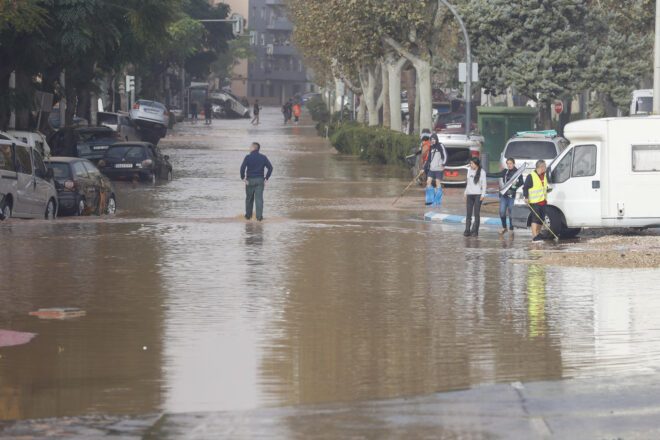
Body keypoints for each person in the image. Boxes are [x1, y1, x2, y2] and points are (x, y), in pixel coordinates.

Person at [487, 157, 523, 237]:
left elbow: (521, 182)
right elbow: (496, 175)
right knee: (502, 212)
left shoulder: (518, 173)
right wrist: (485, 173)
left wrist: (516, 184)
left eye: (510, 163)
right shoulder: (505, 172)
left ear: (513, 164)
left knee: (510, 213)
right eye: (508, 164)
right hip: (504, 195)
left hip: (512, 196)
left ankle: (511, 229)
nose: (509, 165)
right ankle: (504, 227)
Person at [240, 142, 273, 222]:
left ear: (253, 148)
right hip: (260, 180)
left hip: (250, 180)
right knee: (259, 199)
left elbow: (242, 168)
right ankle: (259, 218)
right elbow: (270, 168)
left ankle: (248, 217)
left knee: (249, 199)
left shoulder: (248, 157)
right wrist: (266, 178)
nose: (249, 148)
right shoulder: (263, 157)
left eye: (250, 146)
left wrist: (243, 178)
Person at [523, 160, 549, 242]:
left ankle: (538, 234)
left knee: (541, 218)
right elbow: (525, 187)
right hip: (534, 201)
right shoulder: (531, 176)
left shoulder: (544, 175)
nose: (545, 168)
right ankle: (534, 236)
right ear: (541, 167)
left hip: (543, 201)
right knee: (535, 218)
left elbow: (542, 187)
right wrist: (526, 197)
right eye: (545, 166)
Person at [463, 157, 487, 237]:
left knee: (476, 214)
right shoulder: (469, 170)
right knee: (468, 214)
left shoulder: (482, 172)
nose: (471, 165)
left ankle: (475, 231)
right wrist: (465, 193)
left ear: (476, 164)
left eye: (472, 163)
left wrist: (483, 195)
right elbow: (468, 183)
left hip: (478, 195)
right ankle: (467, 230)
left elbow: (484, 185)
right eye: (470, 163)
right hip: (469, 195)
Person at [424, 134, 447, 206]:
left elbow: (445, 156)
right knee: (428, 182)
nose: (433, 141)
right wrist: (423, 168)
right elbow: (428, 159)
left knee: (437, 183)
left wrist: (443, 165)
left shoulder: (441, 146)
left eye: (434, 139)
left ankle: (437, 201)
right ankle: (430, 200)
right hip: (432, 169)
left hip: (439, 168)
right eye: (431, 139)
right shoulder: (431, 148)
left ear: (436, 139)